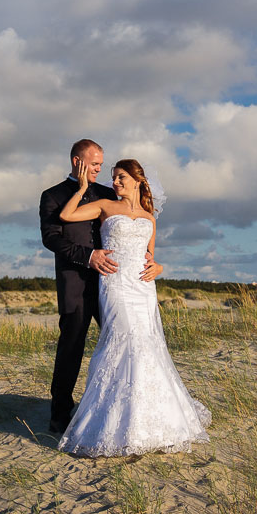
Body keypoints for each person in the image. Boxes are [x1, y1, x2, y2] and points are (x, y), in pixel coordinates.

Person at [55, 158, 211, 457]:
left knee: (147, 344)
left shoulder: (150, 217)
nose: (115, 182)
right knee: (122, 340)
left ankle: (150, 420)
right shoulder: (104, 206)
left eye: (121, 177)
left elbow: (151, 255)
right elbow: (66, 215)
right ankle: (113, 421)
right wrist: (83, 187)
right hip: (115, 285)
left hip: (143, 288)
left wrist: (160, 266)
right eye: (113, 177)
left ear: (138, 180)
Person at [39, 140, 163, 434]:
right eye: (95, 164)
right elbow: (51, 238)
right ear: (76, 161)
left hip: (118, 286)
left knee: (127, 345)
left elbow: (138, 233)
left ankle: (122, 410)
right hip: (77, 283)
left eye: (101, 165)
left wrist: (155, 264)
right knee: (71, 347)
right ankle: (60, 414)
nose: (101, 171)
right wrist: (89, 256)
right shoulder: (53, 195)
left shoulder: (110, 194)